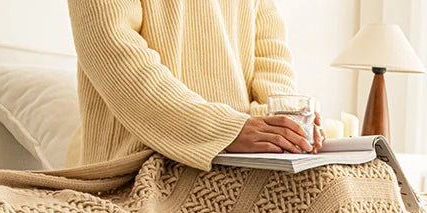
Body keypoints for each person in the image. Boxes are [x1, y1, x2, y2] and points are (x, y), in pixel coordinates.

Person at [66, 0, 325, 171]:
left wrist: (286, 126)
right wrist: (226, 130)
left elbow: (270, 53)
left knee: (341, 188)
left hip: (246, 158)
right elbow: (119, 63)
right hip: (139, 164)